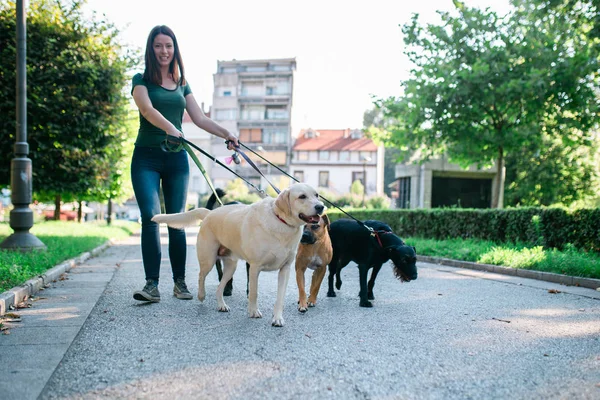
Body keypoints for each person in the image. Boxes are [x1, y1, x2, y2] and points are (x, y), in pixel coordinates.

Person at [130, 25, 238, 302]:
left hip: (177, 159)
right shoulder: (141, 80)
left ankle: (180, 283)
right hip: (146, 157)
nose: (164, 51)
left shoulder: (181, 83)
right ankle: (151, 285)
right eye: (158, 46)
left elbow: (200, 119)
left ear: (174, 49)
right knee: (151, 218)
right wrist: (171, 128)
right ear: (151, 49)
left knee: (177, 219)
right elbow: (147, 109)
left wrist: (226, 133)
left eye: (168, 45)